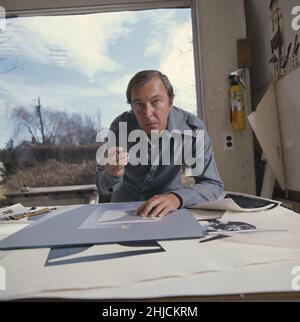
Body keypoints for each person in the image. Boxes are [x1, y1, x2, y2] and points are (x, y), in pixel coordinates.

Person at [96, 70, 224, 218]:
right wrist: (111, 175)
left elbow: (212, 185)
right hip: (122, 212)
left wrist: (176, 198)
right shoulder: (120, 126)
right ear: (131, 106)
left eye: (155, 102)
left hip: (169, 212)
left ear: (170, 101)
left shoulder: (193, 129)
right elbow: (102, 185)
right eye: (139, 104)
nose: (148, 114)